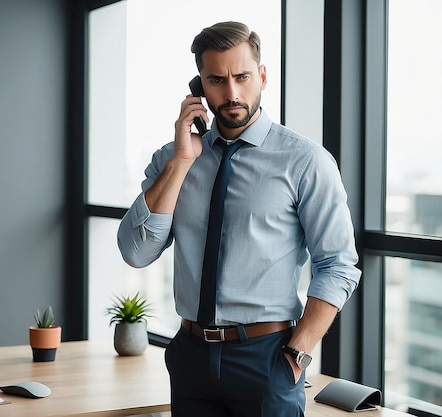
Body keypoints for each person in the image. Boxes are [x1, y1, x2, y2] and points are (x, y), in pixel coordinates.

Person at [117, 21, 361, 416]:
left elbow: (338, 265)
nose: (231, 93)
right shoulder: (172, 158)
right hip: (190, 356)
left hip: (267, 359)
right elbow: (136, 252)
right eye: (216, 80)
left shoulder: (305, 161)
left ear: (262, 76)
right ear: (198, 88)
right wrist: (182, 163)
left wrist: (296, 355)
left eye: (242, 77)